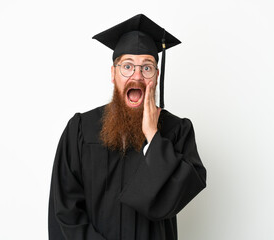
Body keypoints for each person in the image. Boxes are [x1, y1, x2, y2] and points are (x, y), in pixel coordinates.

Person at [48, 14, 207, 240]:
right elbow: (65, 209)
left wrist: (154, 139)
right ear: (113, 74)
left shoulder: (177, 131)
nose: (137, 76)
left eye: (147, 68)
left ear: (157, 76)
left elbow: (176, 197)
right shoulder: (81, 129)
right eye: (128, 66)